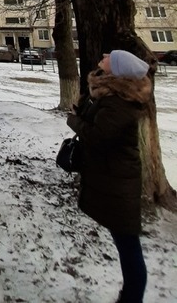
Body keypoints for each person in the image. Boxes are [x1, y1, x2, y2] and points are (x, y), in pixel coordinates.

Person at [66, 49, 151, 303]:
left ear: (116, 69)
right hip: (113, 178)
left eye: (110, 56)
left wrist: (74, 122)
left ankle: (132, 298)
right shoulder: (111, 94)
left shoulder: (119, 102)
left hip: (119, 183)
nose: (103, 55)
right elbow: (99, 124)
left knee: (128, 245)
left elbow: (99, 136)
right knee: (124, 240)